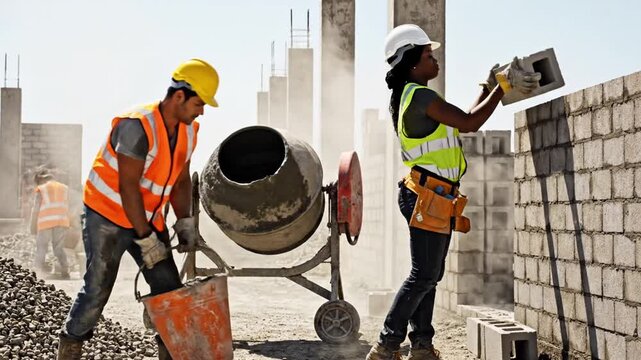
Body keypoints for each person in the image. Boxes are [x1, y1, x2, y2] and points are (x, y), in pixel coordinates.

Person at [366, 24, 540, 360]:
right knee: (424, 274)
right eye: (429, 55)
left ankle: (421, 346)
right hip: (427, 195)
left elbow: (463, 117)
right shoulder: (420, 96)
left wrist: (487, 86)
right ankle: (387, 345)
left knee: (431, 274)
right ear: (412, 62)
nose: (436, 61)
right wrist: (501, 89)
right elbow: (472, 123)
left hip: (434, 195)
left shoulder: (414, 95)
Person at [57, 58, 220, 360]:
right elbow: (127, 188)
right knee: (97, 289)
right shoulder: (137, 126)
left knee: (169, 290)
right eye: (199, 104)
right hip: (107, 215)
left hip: (146, 218)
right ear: (180, 96)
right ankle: (70, 345)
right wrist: (147, 240)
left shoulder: (188, 131)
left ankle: (169, 354)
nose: (202, 112)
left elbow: (181, 180)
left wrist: (184, 222)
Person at [30, 169, 71, 279]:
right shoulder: (64, 188)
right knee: (58, 248)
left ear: (40, 180)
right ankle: (65, 272)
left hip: (45, 222)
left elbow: (35, 209)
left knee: (42, 247)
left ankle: (37, 274)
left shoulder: (41, 189)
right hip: (62, 221)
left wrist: (32, 226)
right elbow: (69, 206)